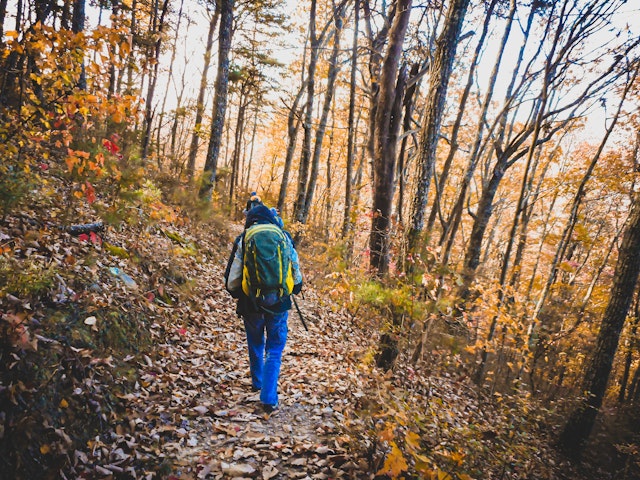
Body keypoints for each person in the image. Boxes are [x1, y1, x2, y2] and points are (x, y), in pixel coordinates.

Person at [224, 194, 303, 413]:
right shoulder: (283, 236)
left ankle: (257, 381)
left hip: (251, 302)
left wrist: (238, 294)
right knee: (275, 347)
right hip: (279, 301)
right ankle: (268, 397)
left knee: (255, 340)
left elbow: (232, 278)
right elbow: (295, 269)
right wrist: (295, 287)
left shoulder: (245, 238)